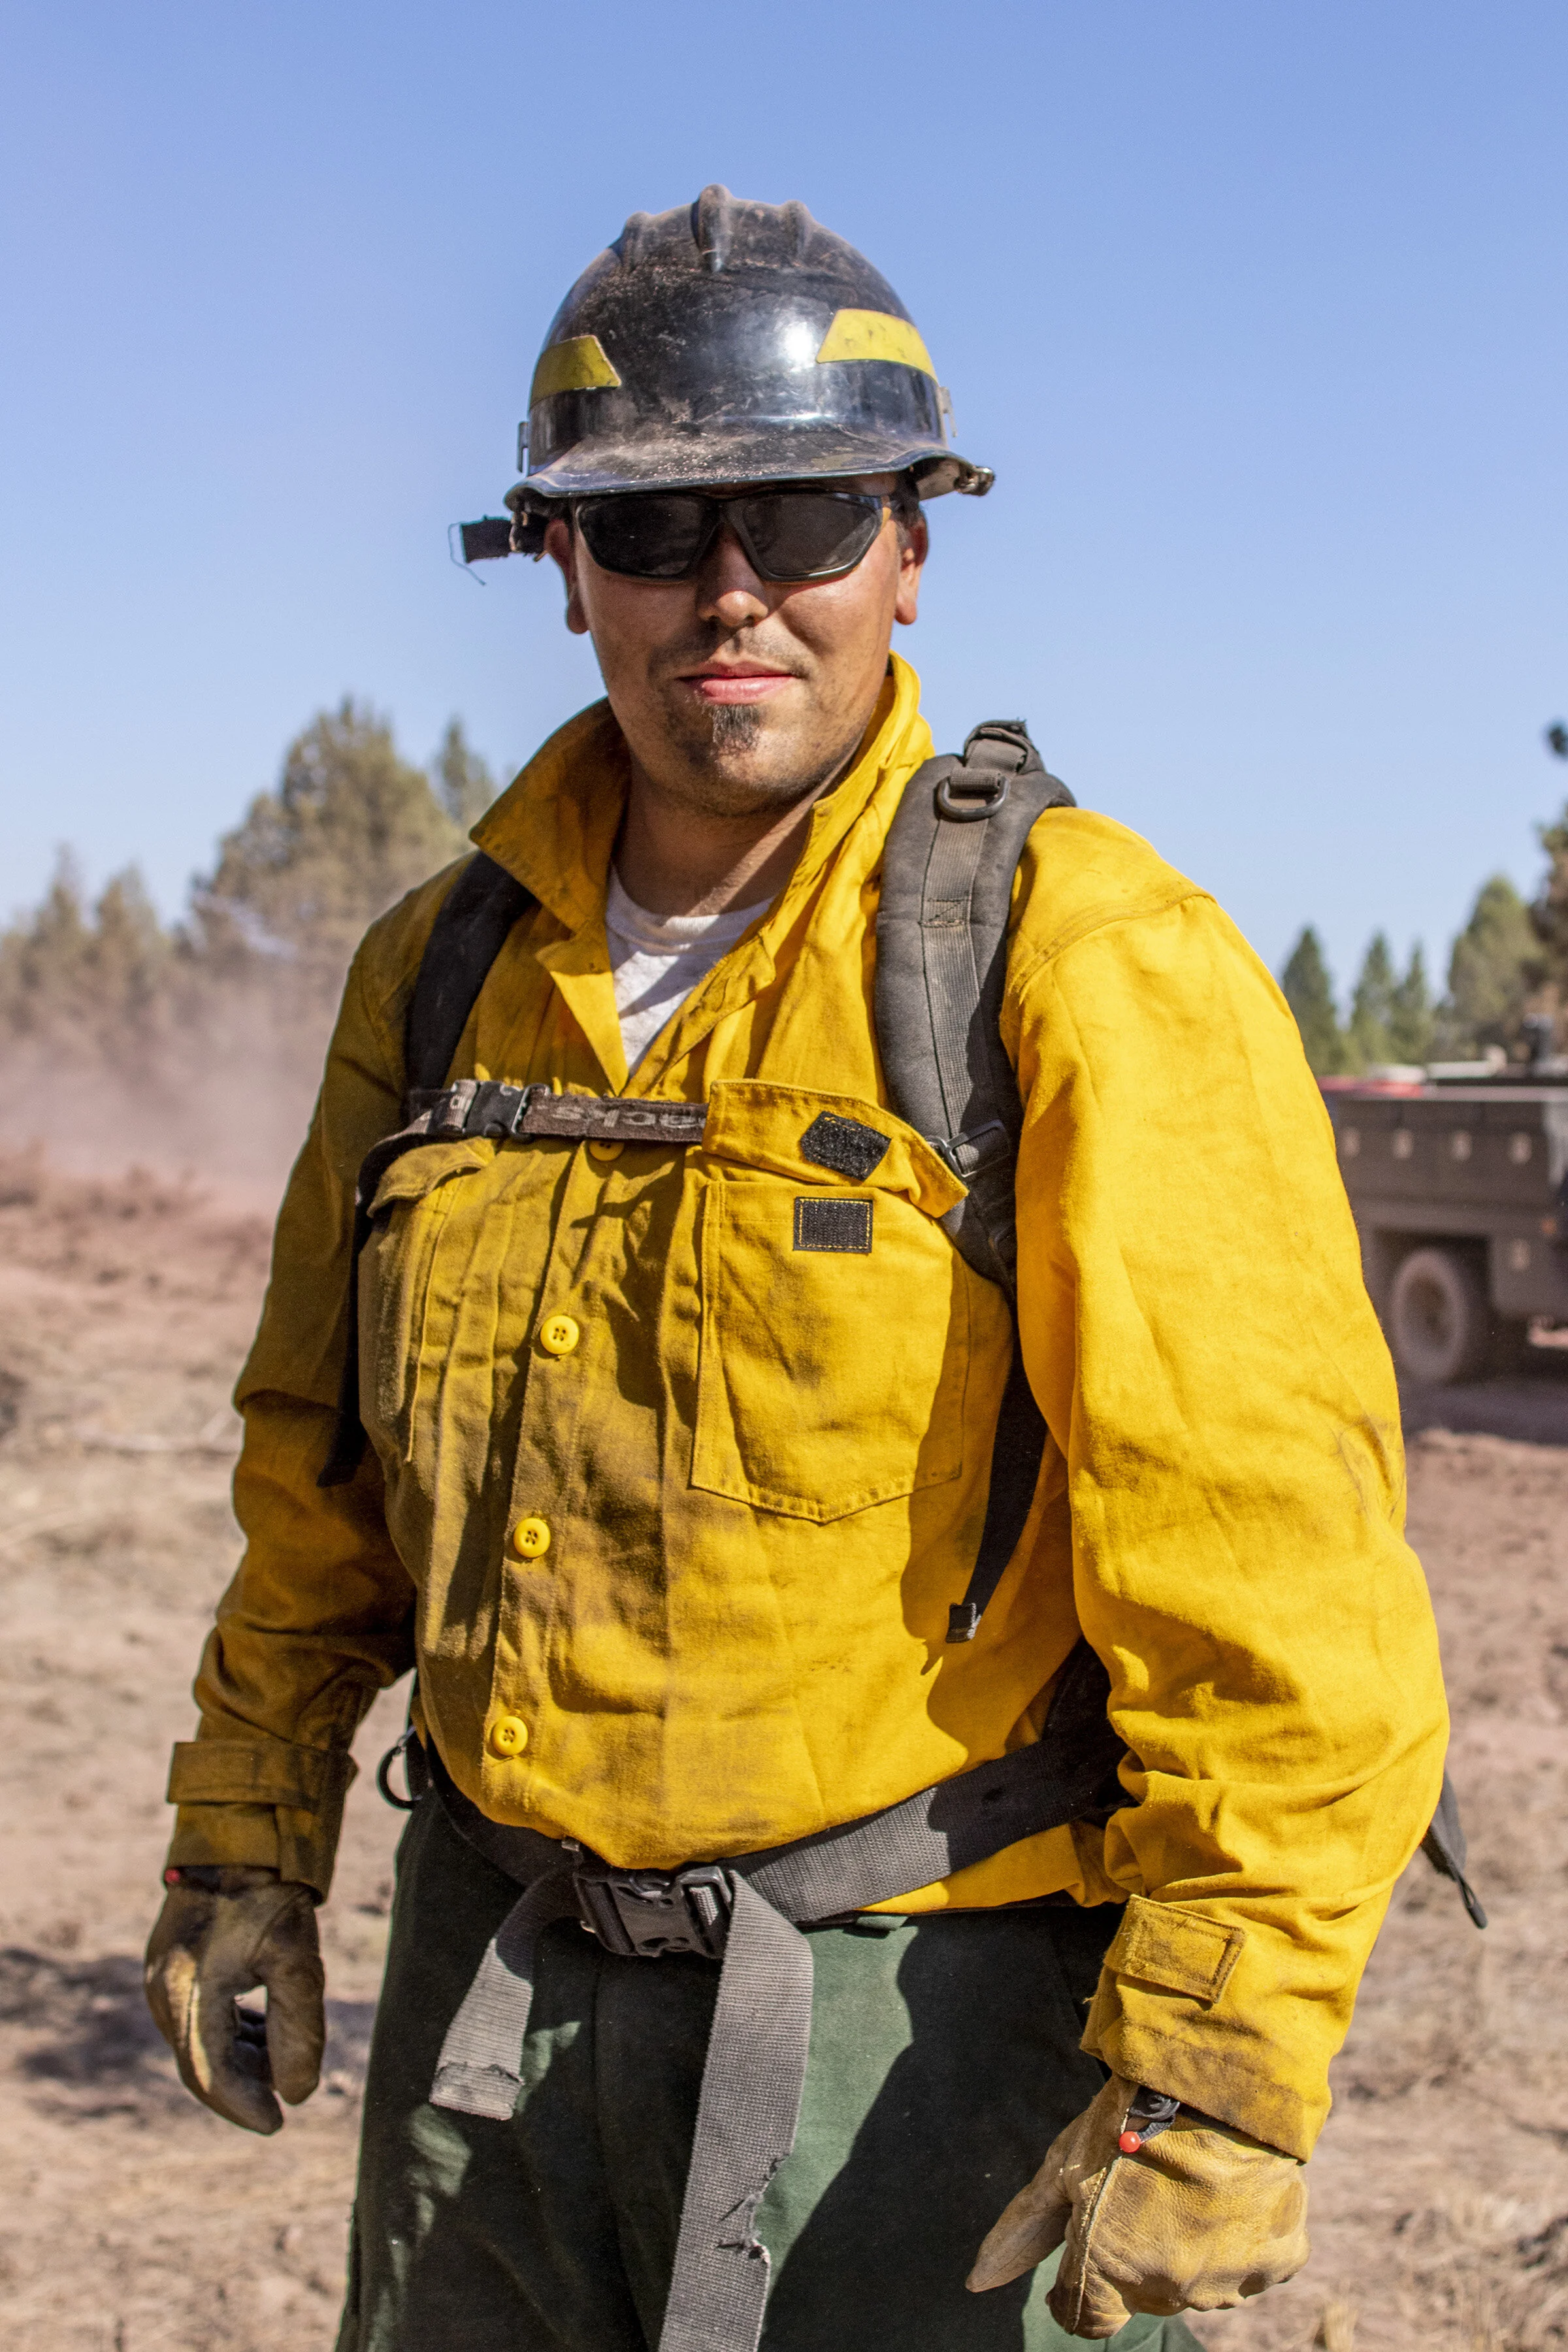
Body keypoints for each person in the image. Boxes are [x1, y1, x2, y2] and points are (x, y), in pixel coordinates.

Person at [144, 187, 1448, 2351]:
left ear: (909, 551)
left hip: (922, 2040)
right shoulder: (442, 974)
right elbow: (321, 1473)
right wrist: (243, 1831)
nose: (731, 590)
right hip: (498, 2000)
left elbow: (1275, 1578)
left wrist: (1220, 2064)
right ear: (559, 568)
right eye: (654, 532)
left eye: (807, 517)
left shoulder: (1081, 959)